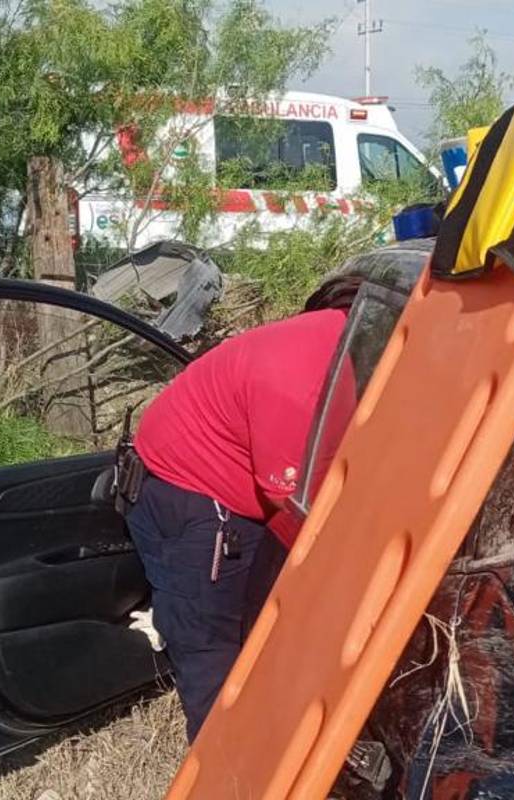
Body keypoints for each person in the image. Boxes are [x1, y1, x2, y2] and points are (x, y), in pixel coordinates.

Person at [123, 275, 363, 741]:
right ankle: (226, 763)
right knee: (213, 657)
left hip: (199, 477)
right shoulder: (304, 380)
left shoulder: (341, 337)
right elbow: (302, 510)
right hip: (192, 502)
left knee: (254, 636)